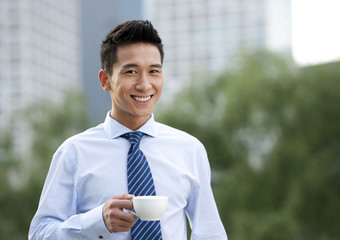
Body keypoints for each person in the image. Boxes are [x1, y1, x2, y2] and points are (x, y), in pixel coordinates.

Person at [29, 20, 227, 240]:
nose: (144, 85)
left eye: (154, 71)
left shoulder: (190, 150)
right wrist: (96, 222)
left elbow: (210, 233)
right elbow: (39, 234)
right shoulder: (73, 152)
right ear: (106, 80)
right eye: (131, 71)